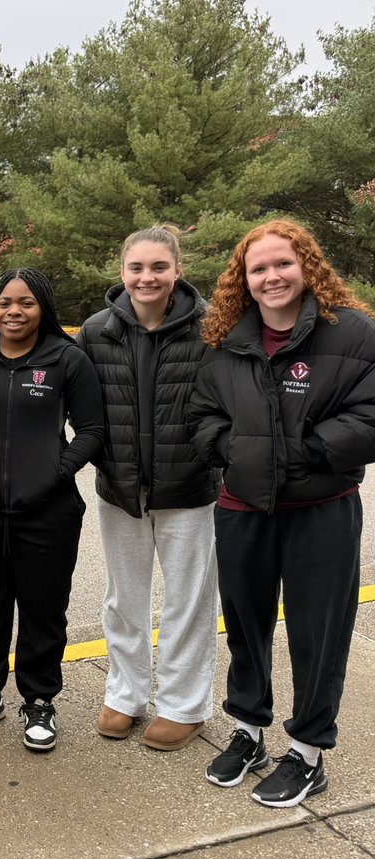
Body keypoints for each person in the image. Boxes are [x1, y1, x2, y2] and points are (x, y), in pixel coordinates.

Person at [187, 220, 375, 807]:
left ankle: (309, 752)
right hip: (242, 506)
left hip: (321, 509)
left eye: (283, 264)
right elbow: (202, 415)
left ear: (307, 266)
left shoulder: (354, 334)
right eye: (258, 268)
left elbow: (369, 418)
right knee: (246, 625)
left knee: (318, 632)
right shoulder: (224, 339)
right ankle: (249, 731)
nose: (272, 276)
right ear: (242, 279)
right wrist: (233, 452)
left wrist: (303, 452)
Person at [0, 269, 104, 752]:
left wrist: (58, 471)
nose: (14, 311)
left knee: (43, 609)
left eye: (26, 303)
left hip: (49, 510)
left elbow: (92, 430)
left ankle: (39, 700)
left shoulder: (67, 359)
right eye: (5, 303)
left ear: (43, 308)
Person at [76, 226, 220, 751]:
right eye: (137, 267)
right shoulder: (95, 331)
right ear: (122, 272)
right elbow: (82, 409)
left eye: (159, 267)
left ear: (178, 270)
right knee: (124, 599)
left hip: (190, 488)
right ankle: (126, 693)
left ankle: (184, 705)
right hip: (120, 489)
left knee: (189, 601)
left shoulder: (212, 328)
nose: (147, 277)